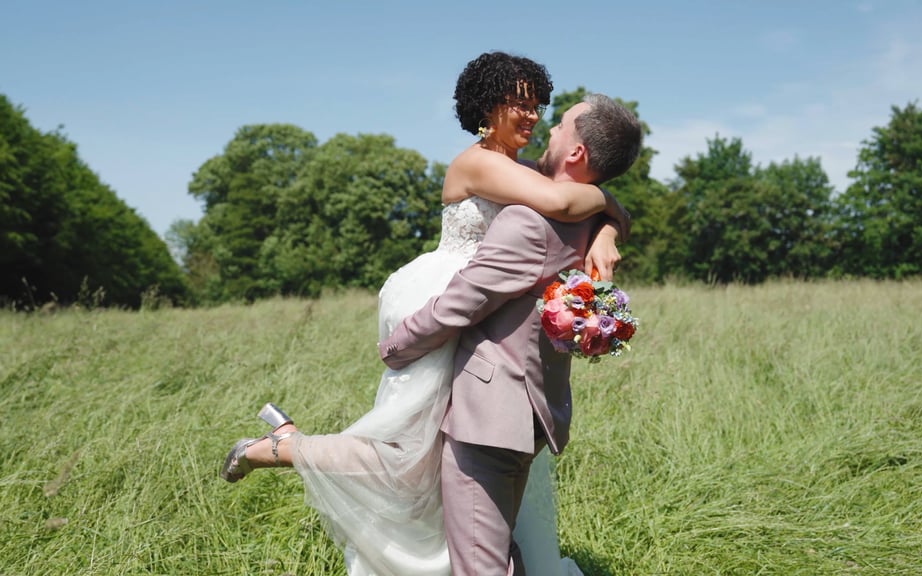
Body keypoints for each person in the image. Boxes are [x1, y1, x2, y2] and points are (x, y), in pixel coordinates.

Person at [219, 52, 633, 576]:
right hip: (440, 301)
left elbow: (593, 201)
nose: (532, 116)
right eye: (520, 104)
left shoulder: (523, 169)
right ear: (489, 106)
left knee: (427, 460)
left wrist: (609, 227)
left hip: (475, 313)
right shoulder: (479, 162)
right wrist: (602, 208)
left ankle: (287, 447)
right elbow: (562, 198)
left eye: (540, 106)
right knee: (406, 458)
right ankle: (281, 449)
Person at [378, 92, 643, 574]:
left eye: (559, 122)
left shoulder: (531, 217)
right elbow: (586, 203)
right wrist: (606, 217)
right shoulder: (575, 213)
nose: (545, 125)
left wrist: (394, 348)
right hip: (532, 403)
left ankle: (282, 447)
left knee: (403, 470)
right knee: (492, 539)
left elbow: (464, 301)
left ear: (577, 152)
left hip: (489, 406)